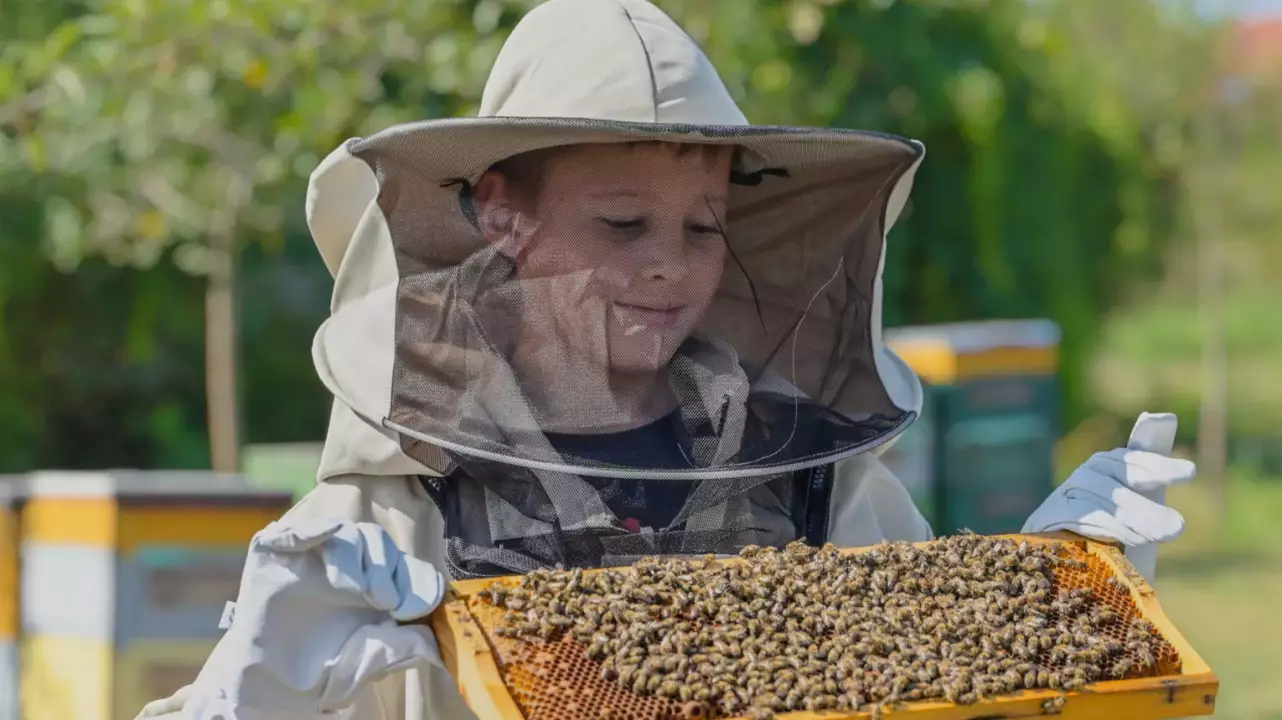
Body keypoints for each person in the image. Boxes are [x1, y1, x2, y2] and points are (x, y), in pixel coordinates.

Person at [136, 1, 1197, 718]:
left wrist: (1064, 605)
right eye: (621, 223)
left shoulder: (811, 467)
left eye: (701, 227)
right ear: (503, 214)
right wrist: (253, 692)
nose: (670, 269)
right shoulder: (392, 499)